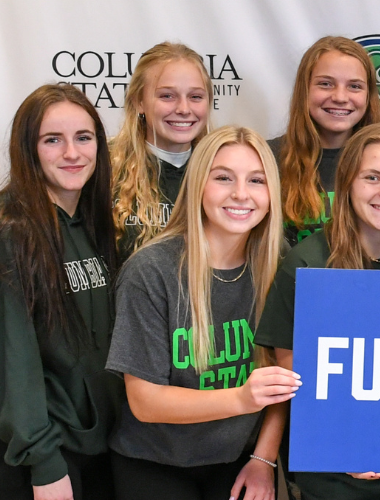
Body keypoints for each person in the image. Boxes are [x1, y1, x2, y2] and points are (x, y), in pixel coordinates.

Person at [257, 122, 380, 500]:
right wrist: (339, 446)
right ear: (346, 183)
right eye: (372, 177)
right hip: (334, 475)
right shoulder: (307, 264)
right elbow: (294, 374)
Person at [106, 126, 296, 500]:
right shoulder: (151, 270)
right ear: (197, 185)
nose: (241, 193)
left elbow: (285, 380)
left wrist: (264, 458)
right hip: (153, 461)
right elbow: (144, 401)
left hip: (238, 458)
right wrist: (241, 398)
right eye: (223, 177)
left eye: (256, 180)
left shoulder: (279, 264)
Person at [0, 83, 122, 500]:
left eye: (83, 138)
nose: (72, 153)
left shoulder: (94, 221)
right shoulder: (6, 225)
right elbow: (7, 355)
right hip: (42, 461)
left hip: (95, 448)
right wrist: (45, 463)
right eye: (53, 140)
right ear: (28, 148)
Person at [273, 36, 380, 246]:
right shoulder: (267, 159)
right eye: (325, 84)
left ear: (369, 96)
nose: (340, 97)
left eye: (354, 86)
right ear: (304, 89)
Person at [110, 42, 213, 258]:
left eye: (195, 97)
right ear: (139, 102)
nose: (184, 109)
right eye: (167, 96)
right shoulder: (105, 169)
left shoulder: (222, 170)